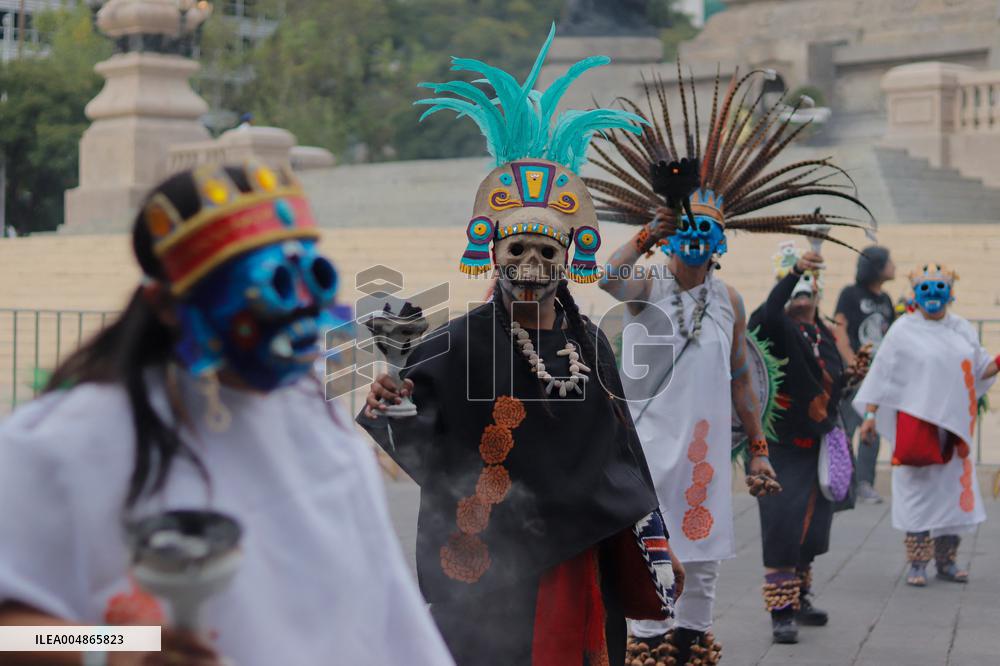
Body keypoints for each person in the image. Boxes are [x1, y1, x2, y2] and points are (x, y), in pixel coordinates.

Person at [0, 163, 453, 666]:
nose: (297, 309)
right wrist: (120, 649)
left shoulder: (309, 410)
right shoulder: (67, 439)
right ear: (168, 305)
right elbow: (15, 637)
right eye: (266, 288)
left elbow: (387, 609)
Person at [358, 26, 680, 666]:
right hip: (499, 557)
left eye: (545, 251)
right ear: (494, 255)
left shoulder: (589, 339)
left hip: (582, 548)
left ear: (566, 261)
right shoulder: (456, 340)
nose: (531, 264)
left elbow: (621, 440)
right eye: (517, 249)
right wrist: (391, 399)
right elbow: (413, 433)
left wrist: (649, 532)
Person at [586, 67, 875, 665]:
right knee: (649, 547)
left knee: (703, 551)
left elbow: (742, 376)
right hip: (646, 444)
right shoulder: (650, 283)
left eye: (707, 232)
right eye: (685, 229)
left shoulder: (730, 299)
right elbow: (606, 277)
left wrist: (761, 450)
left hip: (706, 448)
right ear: (671, 237)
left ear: (721, 243)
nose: (695, 239)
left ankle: (691, 646)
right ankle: (645, 647)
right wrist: (643, 236)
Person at [749, 245, 867, 644]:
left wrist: (851, 376)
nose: (801, 295)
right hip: (783, 447)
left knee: (813, 531)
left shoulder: (823, 332)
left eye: (807, 288)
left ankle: (799, 597)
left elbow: (824, 388)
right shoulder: (773, 325)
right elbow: (769, 313)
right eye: (794, 288)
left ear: (818, 292)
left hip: (818, 445)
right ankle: (781, 610)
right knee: (782, 526)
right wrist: (793, 272)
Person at [855, 264, 998, 587]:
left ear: (950, 293)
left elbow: (981, 368)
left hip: (953, 429)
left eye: (939, 288)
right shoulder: (904, 330)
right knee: (917, 494)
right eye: (926, 289)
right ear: (916, 295)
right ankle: (917, 563)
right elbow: (883, 375)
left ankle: (947, 561)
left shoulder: (961, 328)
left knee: (950, 495)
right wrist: (870, 416)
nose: (933, 295)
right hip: (917, 427)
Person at [834, 246, 896, 503]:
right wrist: (853, 366)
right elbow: (840, 329)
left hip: (879, 378)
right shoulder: (850, 294)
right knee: (847, 428)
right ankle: (842, 483)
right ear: (877, 265)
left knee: (873, 431)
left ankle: (865, 483)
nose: (894, 266)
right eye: (889, 261)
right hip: (854, 376)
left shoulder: (886, 300)